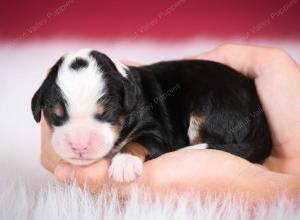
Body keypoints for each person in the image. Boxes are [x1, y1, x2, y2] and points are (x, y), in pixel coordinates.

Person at [39, 44, 300, 201]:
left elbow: (154, 137)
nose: (80, 141)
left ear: (127, 98)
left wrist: (133, 151)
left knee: (206, 100)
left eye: (103, 114)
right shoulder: (127, 91)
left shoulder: (139, 102)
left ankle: (216, 142)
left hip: (224, 102)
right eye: (58, 117)